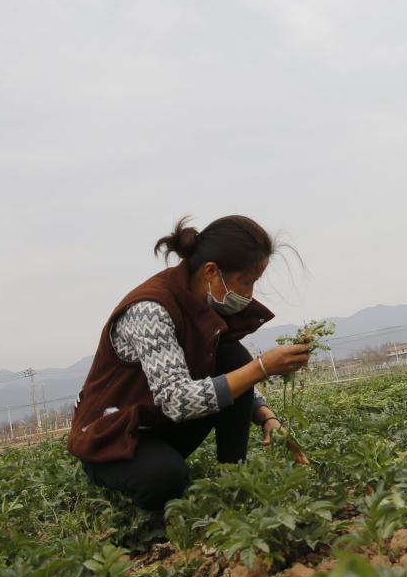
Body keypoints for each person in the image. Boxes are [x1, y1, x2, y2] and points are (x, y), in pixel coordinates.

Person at [69, 215, 313, 511]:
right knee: (163, 478)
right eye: (246, 281)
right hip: (111, 437)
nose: (249, 294)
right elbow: (175, 400)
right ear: (211, 271)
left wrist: (266, 417)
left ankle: (233, 480)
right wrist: (262, 367)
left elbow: (228, 371)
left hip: (153, 423)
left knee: (233, 356)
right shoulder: (150, 310)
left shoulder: (200, 305)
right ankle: (147, 507)